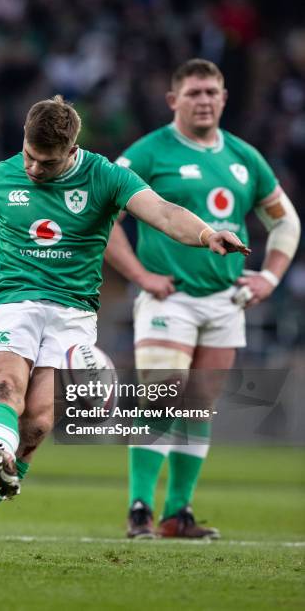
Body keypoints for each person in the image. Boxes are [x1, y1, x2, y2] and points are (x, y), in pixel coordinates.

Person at [0, 95, 249, 556]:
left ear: (72, 149)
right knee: (5, 387)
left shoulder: (106, 176)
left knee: (37, 426)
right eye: (29, 156)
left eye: (47, 161)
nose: (35, 168)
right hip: (14, 305)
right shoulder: (0, 175)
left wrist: (204, 233)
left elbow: (162, 212)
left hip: (73, 317)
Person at [104, 59, 301, 539]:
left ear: (225, 97)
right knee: (162, 397)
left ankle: (177, 514)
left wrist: (269, 280)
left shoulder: (244, 157)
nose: (204, 100)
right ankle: (139, 510)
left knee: (199, 405)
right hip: (169, 295)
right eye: (194, 92)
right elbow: (102, 215)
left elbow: (286, 222)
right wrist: (140, 274)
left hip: (225, 301)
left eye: (212, 91)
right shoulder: (149, 152)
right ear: (174, 100)